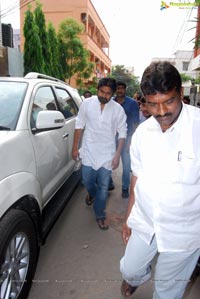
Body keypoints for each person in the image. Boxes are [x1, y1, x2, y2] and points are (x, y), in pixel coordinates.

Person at [120, 61, 200, 298]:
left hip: (184, 232)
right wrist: (128, 218)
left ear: (181, 94)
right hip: (145, 222)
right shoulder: (143, 133)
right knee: (130, 268)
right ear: (144, 101)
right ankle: (136, 278)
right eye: (153, 104)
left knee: (167, 291)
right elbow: (137, 177)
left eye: (169, 101)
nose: (162, 111)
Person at [72, 78, 127, 230]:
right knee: (87, 181)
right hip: (88, 150)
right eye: (102, 91)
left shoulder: (118, 110)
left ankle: (100, 215)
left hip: (107, 153)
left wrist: (117, 155)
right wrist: (75, 147)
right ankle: (92, 193)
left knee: (103, 187)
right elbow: (79, 125)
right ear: (97, 89)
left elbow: (122, 133)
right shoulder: (87, 104)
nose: (105, 95)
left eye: (109, 93)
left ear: (113, 94)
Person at [110, 81, 139, 198]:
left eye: (122, 88)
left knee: (126, 165)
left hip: (127, 137)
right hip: (111, 138)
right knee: (108, 162)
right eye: (118, 88)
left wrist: (133, 140)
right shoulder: (111, 102)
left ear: (125, 90)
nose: (120, 90)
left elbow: (136, 122)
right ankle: (108, 183)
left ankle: (125, 188)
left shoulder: (132, 103)